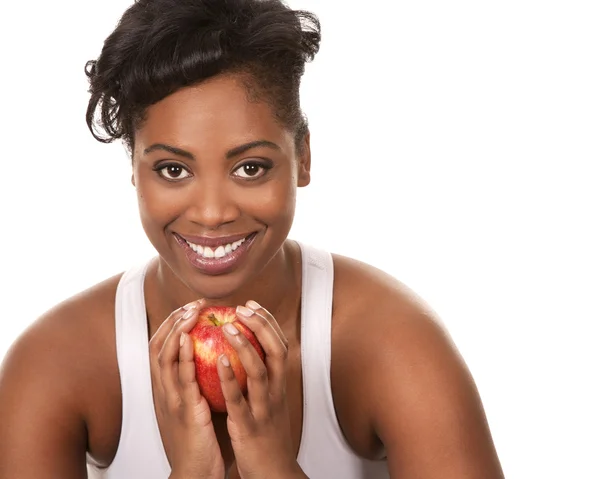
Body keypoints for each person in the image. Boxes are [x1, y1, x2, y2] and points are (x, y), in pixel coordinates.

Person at [0, 0, 505, 478]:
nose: (213, 212)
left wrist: (277, 469)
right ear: (134, 168)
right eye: (173, 169)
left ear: (303, 157)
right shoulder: (55, 364)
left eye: (250, 167)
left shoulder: (392, 344)